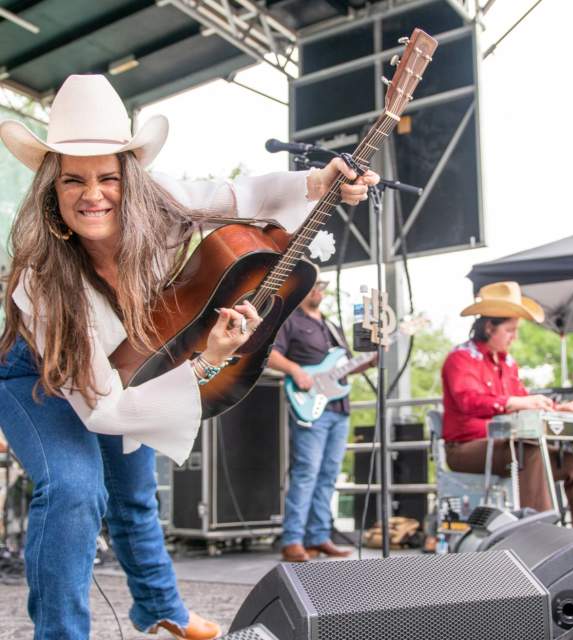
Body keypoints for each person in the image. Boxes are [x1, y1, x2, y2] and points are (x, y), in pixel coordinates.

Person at [0, 74, 378, 640]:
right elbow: (103, 410)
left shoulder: (168, 202)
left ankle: (162, 612)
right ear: (52, 188)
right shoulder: (41, 280)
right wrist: (204, 363)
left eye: (108, 177)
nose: (93, 193)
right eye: (73, 179)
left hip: (119, 368)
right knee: (78, 488)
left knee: (133, 495)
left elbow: (247, 195)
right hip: (34, 372)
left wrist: (320, 180)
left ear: (131, 177)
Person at [441, 281, 573, 533]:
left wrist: (560, 408)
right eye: (510, 330)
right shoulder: (461, 358)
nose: (515, 337)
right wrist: (514, 402)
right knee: (529, 452)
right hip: (466, 450)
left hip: (507, 447)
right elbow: (468, 400)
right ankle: (540, 536)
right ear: (490, 327)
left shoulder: (507, 363)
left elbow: (523, 397)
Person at [268, 269, 374, 562]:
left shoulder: (332, 327)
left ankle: (318, 536)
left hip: (339, 408)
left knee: (328, 475)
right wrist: (295, 370)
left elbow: (348, 366)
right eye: (315, 285)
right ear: (301, 288)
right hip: (311, 408)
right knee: (306, 472)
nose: (321, 291)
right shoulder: (290, 321)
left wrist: (373, 358)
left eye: (323, 286)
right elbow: (270, 353)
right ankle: (292, 540)